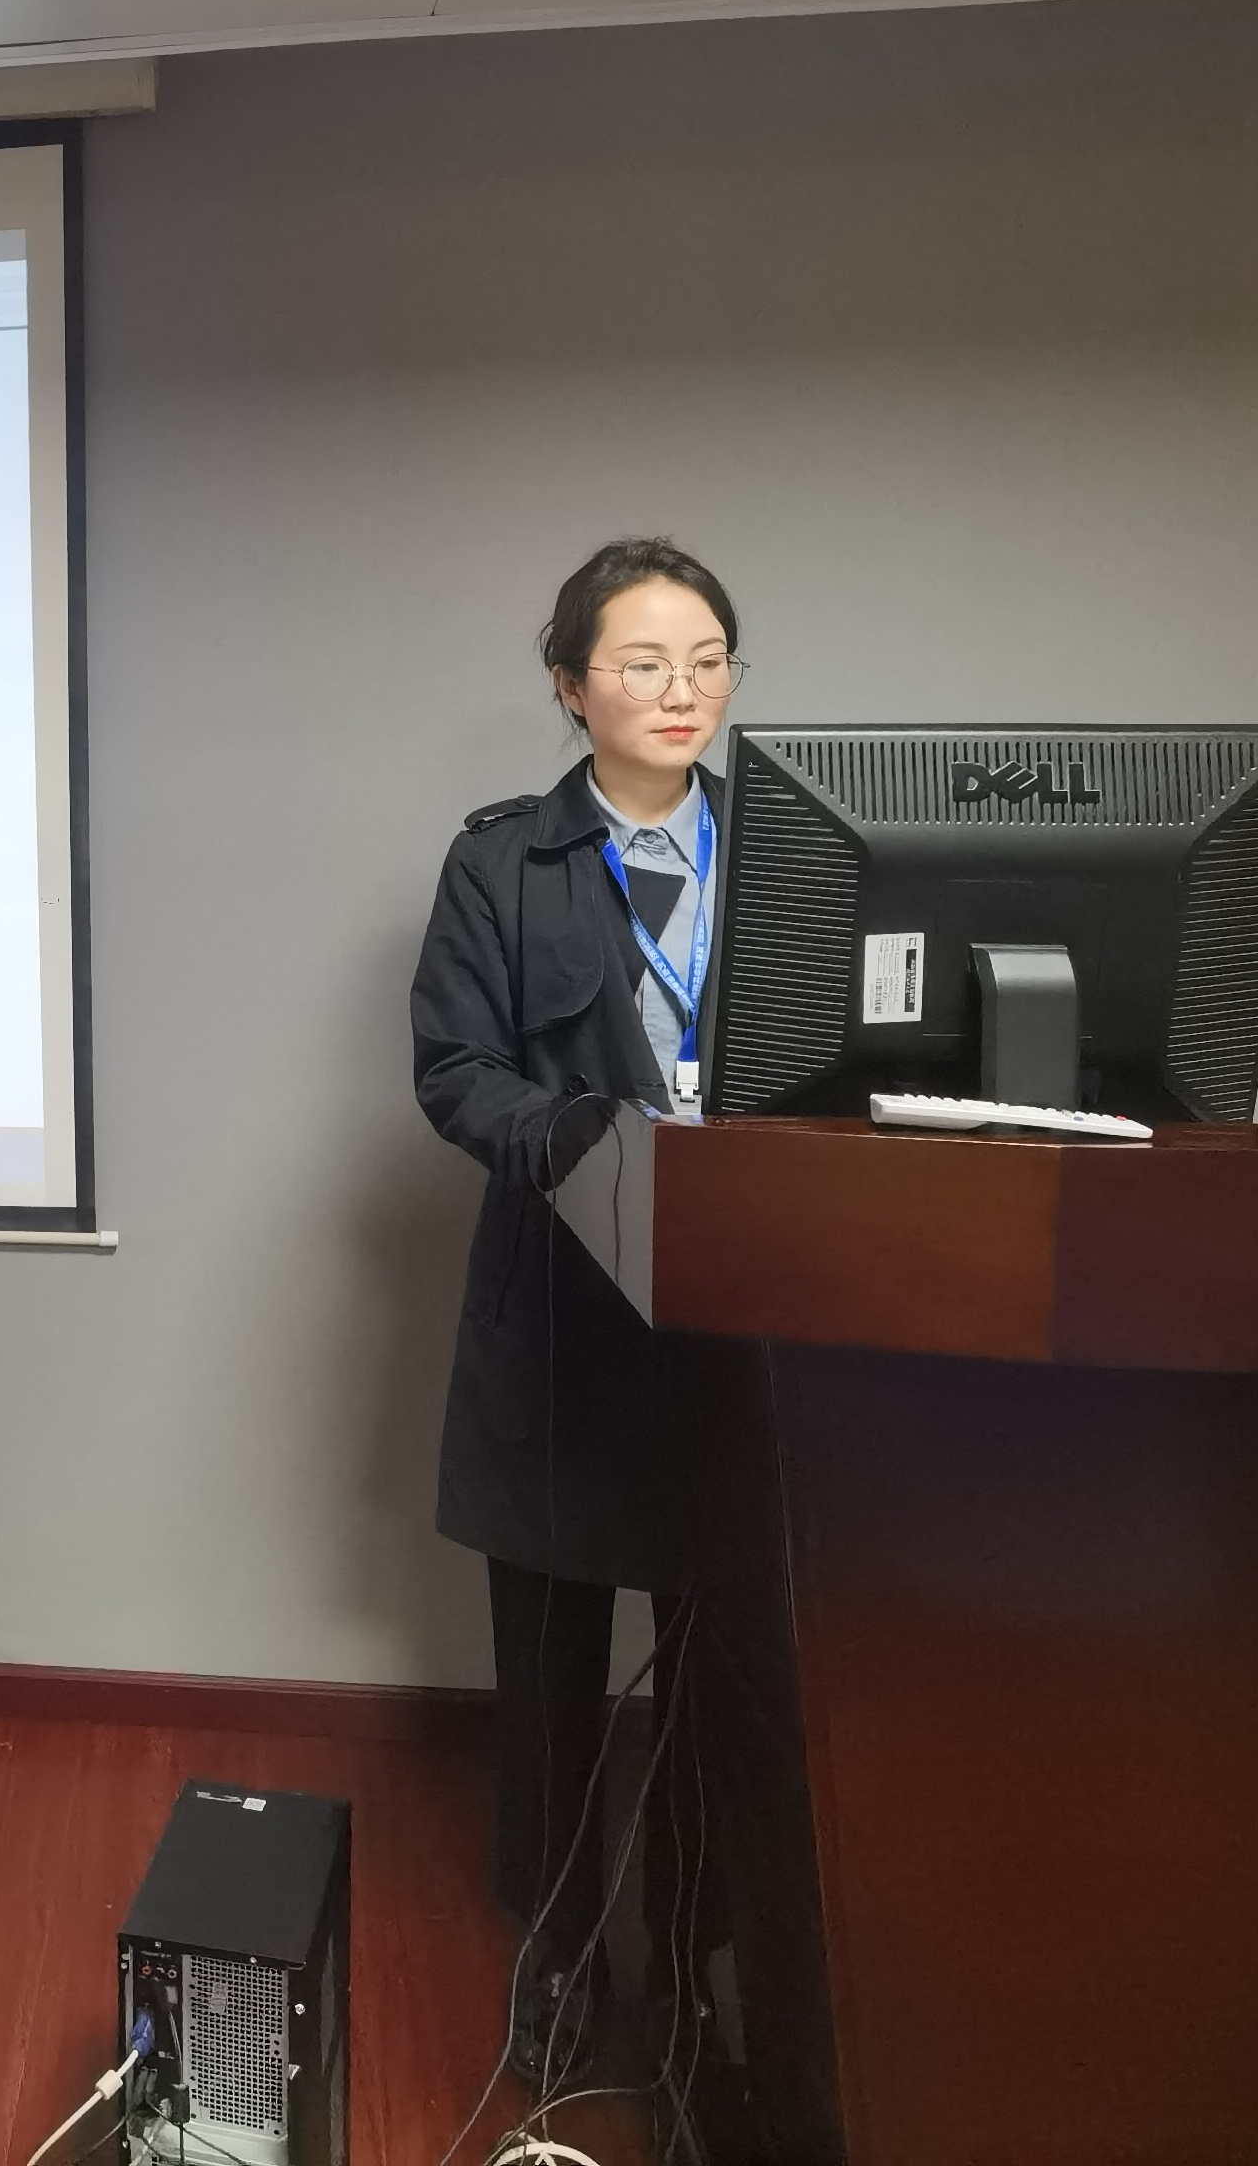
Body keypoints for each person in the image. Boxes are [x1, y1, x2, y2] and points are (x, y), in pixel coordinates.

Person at [408, 535, 744, 2007]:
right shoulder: (502, 862)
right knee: (548, 1680)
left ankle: (696, 1969)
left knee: (722, 1675)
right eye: (643, 663)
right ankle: (557, 1967)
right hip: (560, 1312)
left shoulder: (793, 850)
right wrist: (594, 1143)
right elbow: (454, 1072)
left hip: (746, 1323)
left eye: (709, 662)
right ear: (569, 685)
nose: (682, 691)